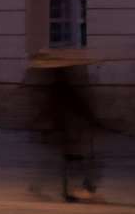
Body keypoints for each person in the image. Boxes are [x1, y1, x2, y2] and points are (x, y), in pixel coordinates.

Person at [29, 57, 102, 201]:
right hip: (65, 130)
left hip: (64, 130)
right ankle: (74, 189)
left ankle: (66, 188)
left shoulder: (57, 88)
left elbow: (49, 108)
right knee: (70, 161)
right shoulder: (64, 89)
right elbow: (78, 106)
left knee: (66, 161)